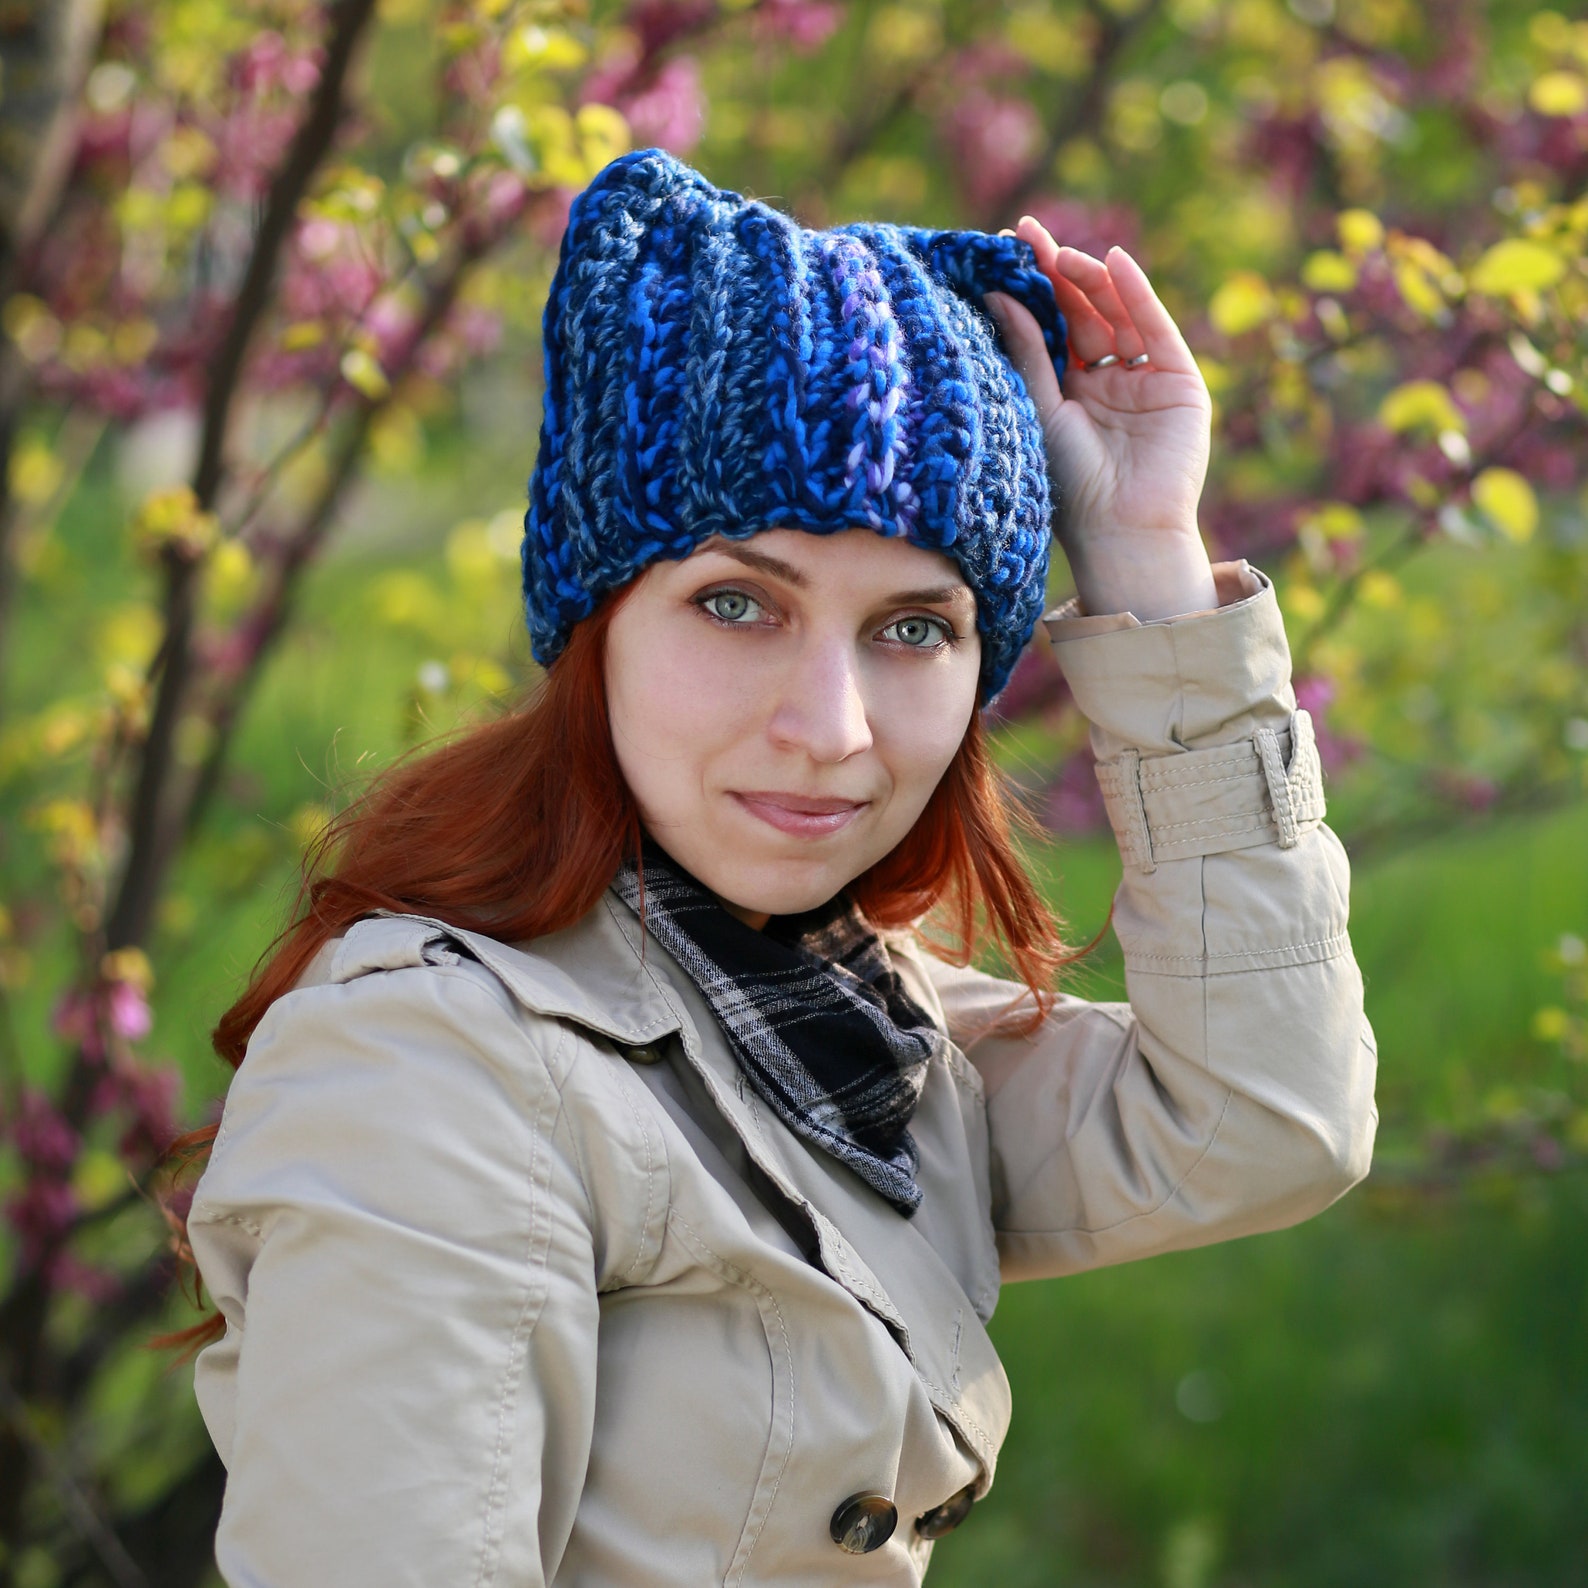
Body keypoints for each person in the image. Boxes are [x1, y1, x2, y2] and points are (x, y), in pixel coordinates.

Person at [182, 148, 1378, 1585]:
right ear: (597, 625)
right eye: (737, 602)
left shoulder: (849, 1023)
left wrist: (1144, 557)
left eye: (915, 628)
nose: (831, 730)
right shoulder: (432, 1066)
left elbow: (1266, 1120)